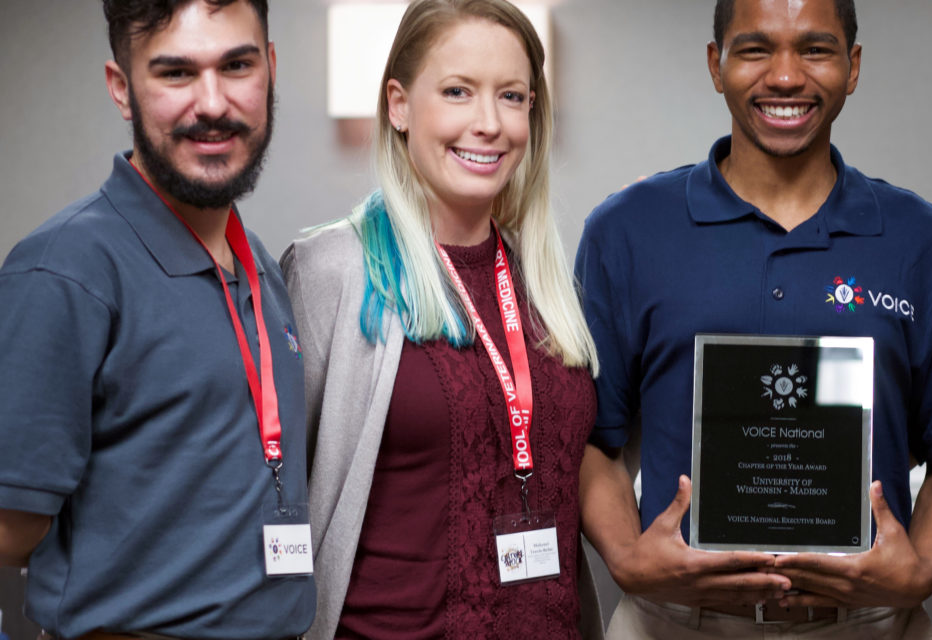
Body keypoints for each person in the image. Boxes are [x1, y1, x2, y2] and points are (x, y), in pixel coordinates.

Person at [575, 0, 932, 637]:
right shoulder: (628, 230)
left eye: (815, 49)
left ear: (852, 66)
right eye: (755, 49)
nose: (787, 77)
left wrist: (924, 568)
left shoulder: (923, 242)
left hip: (865, 624)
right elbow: (591, 439)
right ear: (716, 65)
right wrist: (626, 558)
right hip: (675, 623)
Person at [280, 1, 600, 638]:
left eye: (512, 96)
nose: (489, 123)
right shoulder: (331, 272)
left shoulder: (543, 284)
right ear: (398, 105)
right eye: (458, 91)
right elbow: (276, 490)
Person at [0, 1, 316, 638]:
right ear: (122, 88)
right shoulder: (65, 269)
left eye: (236, 66)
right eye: (176, 73)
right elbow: (10, 529)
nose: (213, 103)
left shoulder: (258, 263)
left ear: (271, 69)